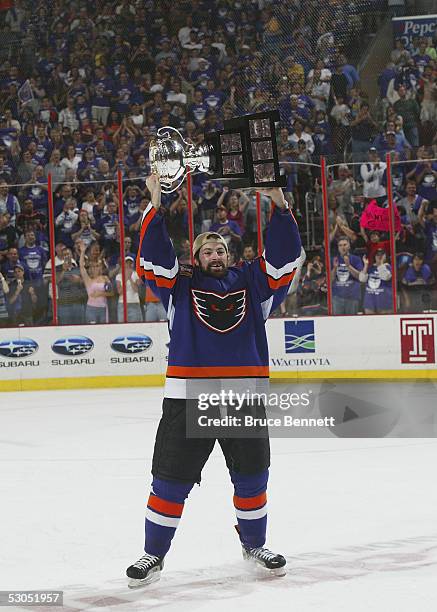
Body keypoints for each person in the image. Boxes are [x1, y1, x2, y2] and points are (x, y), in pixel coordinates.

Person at [126, 175, 304, 587]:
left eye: (221, 249)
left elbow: (282, 258)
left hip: (242, 398)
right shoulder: (178, 288)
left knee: (252, 476)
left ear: (231, 254)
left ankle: (254, 544)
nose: (215, 254)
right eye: (207, 250)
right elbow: (155, 254)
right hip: (189, 399)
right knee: (169, 481)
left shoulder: (254, 284)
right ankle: (153, 555)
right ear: (196, 257)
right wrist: (156, 198)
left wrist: (278, 203)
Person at [78, 241, 113, 324]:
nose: (95, 268)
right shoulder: (88, 280)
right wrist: (83, 252)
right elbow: (81, 266)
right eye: (93, 267)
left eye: (97, 266)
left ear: (100, 268)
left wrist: (100, 294)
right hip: (91, 308)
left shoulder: (105, 278)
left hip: (103, 308)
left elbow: (111, 293)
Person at [331, 236, 363, 315]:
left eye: (345, 245)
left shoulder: (356, 259)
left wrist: (348, 266)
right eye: (340, 245)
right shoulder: (334, 259)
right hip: (337, 297)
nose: (343, 247)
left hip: (352, 297)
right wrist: (334, 268)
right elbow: (330, 280)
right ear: (338, 247)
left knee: (352, 324)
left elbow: (360, 277)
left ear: (349, 246)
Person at [359, 250, 393, 314]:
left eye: (382, 255)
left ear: (386, 256)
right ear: (374, 256)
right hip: (369, 301)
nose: (379, 256)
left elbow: (385, 277)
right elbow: (362, 279)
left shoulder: (388, 267)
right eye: (377, 255)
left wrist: (380, 264)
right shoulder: (370, 267)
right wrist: (366, 265)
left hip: (384, 302)